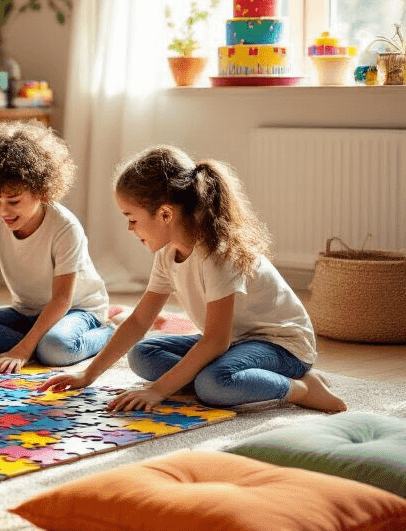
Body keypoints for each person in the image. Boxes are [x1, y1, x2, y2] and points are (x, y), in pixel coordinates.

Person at [38, 145, 346, 413]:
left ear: (165, 214)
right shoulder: (167, 254)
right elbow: (138, 322)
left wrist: (158, 391)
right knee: (143, 355)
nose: (130, 229)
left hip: (281, 346)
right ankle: (215, 380)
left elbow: (215, 340)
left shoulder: (216, 255)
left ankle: (302, 389)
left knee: (214, 384)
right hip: (235, 344)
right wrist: (88, 374)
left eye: (132, 219)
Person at [0, 121, 112, 374]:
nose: (4, 211)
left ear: (42, 191)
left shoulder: (65, 227)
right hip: (27, 313)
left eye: (14, 201)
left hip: (77, 310)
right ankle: (39, 340)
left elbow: (61, 299)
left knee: (56, 349)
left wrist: (23, 350)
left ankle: (108, 332)